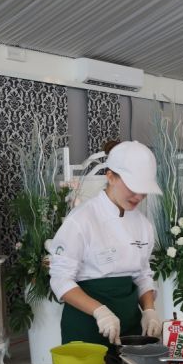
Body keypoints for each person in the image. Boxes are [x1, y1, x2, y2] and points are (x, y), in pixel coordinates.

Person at [48, 140, 163, 346]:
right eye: (133, 187)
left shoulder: (143, 225)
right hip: (86, 326)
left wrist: (149, 310)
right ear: (110, 177)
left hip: (130, 328)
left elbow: (142, 275)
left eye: (144, 190)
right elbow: (60, 279)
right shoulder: (81, 220)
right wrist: (100, 312)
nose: (139, 196)